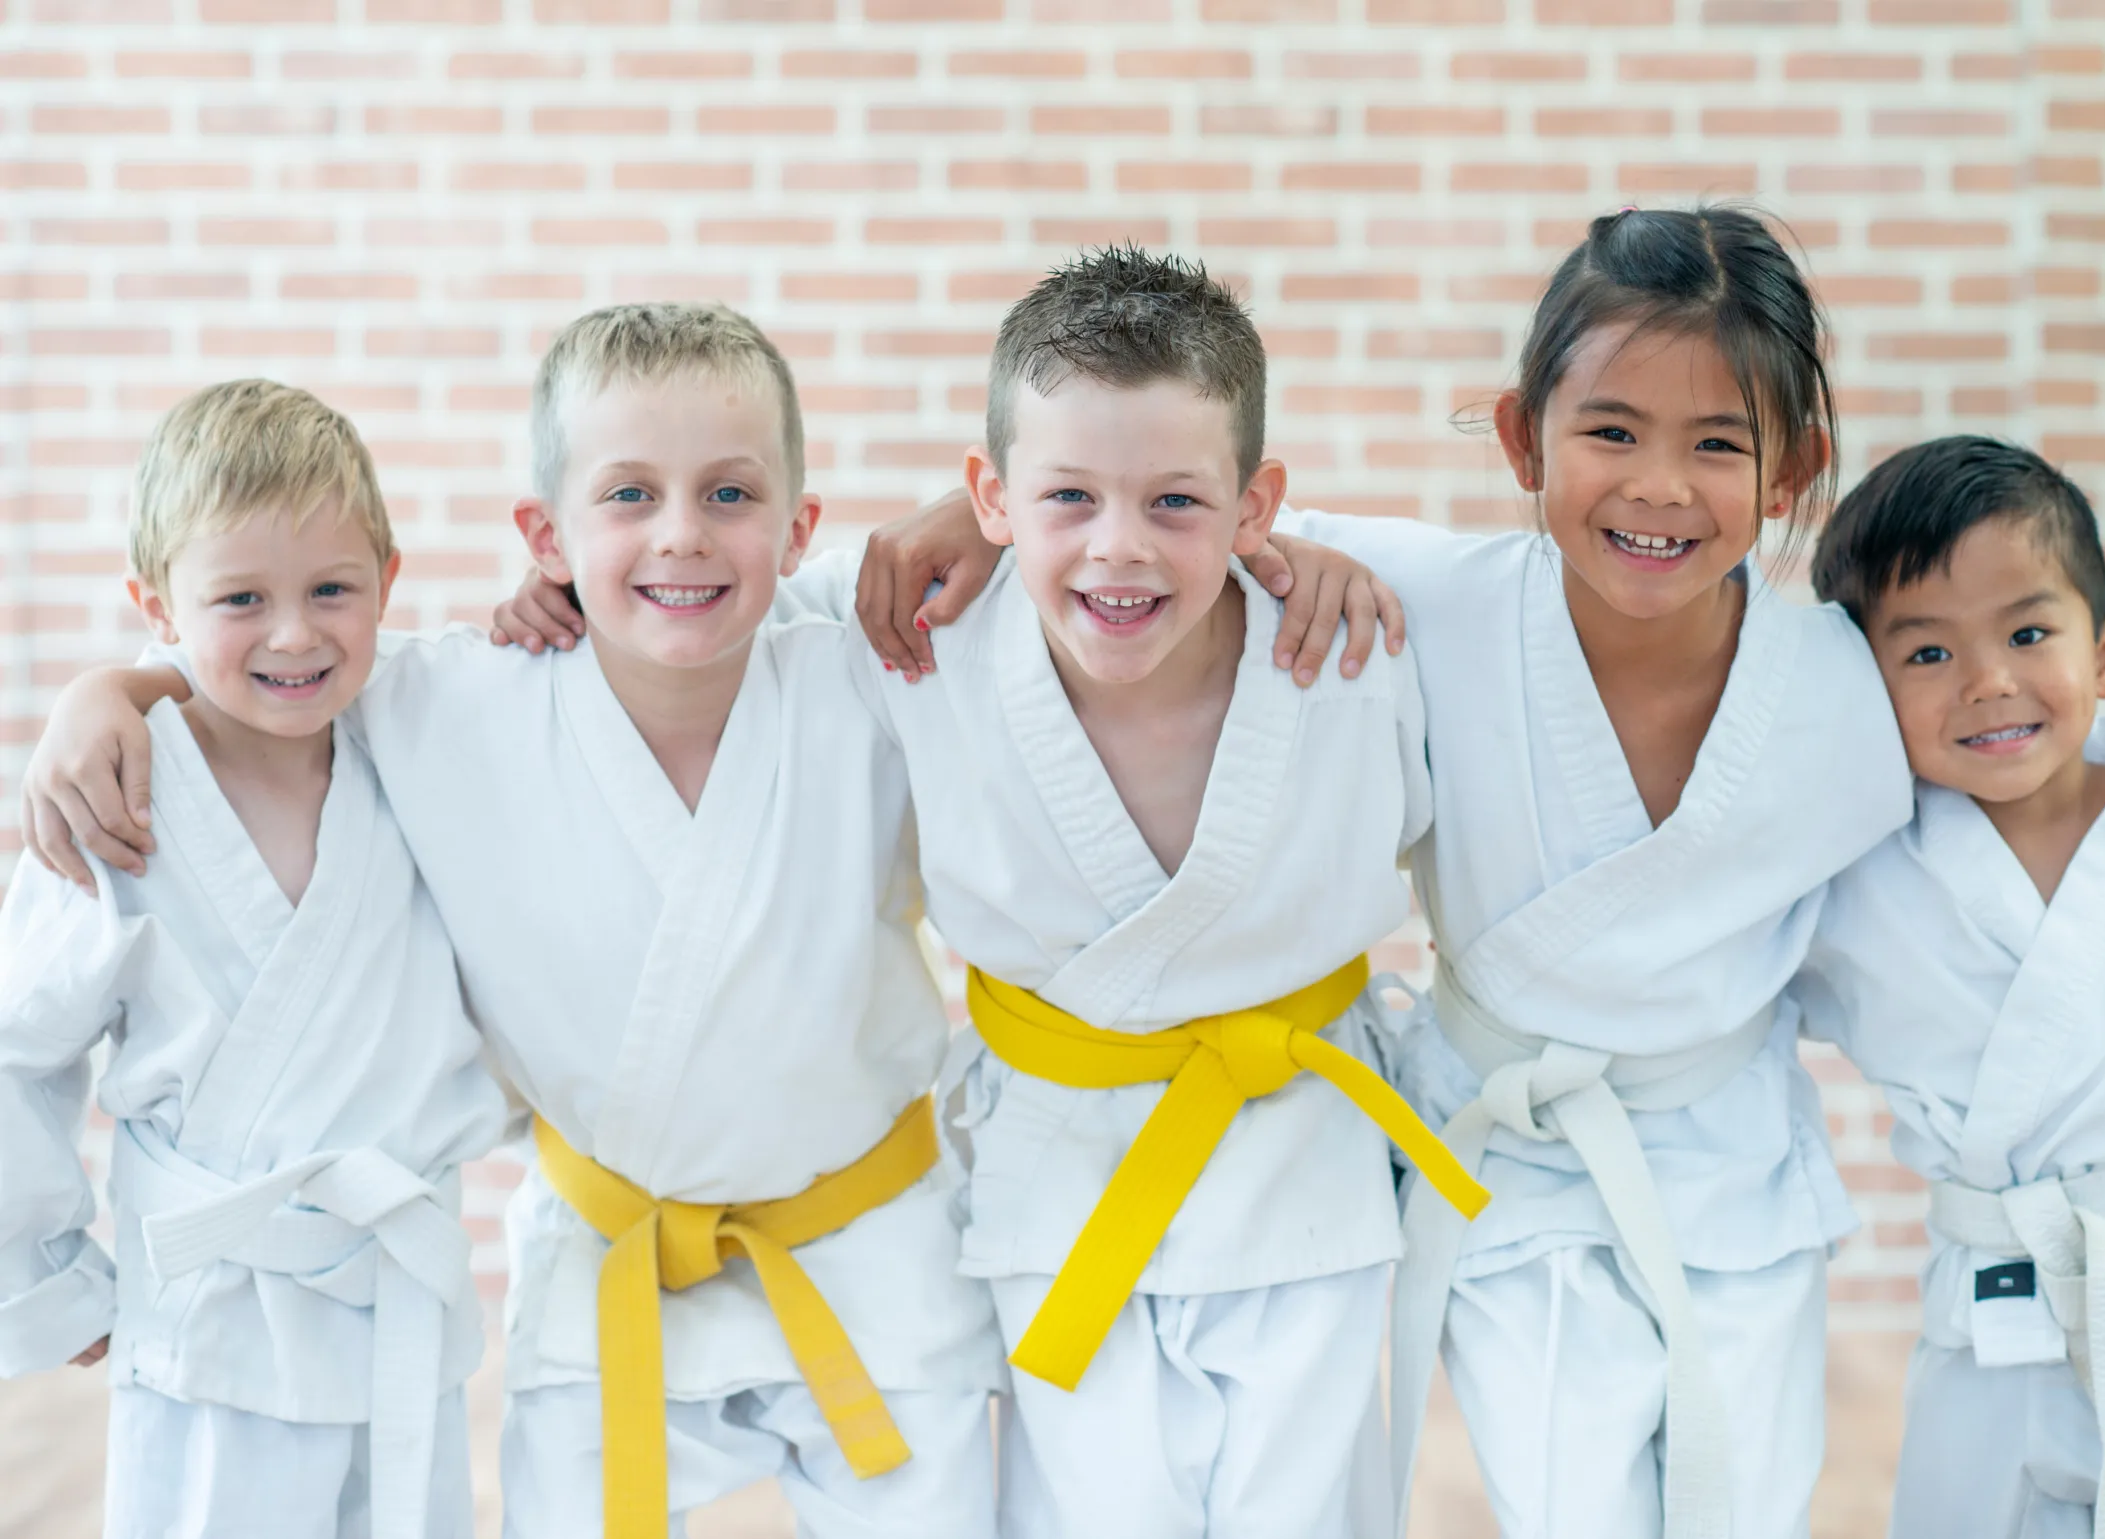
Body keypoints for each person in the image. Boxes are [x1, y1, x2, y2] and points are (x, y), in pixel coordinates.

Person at [831, 207, 2105, 1539]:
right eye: (1610, 430)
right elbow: (1163, 519)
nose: (1661, 486)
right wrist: (972, 516)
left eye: (1720, 444)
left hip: (1733, 1164)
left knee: (1749, 1502)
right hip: (1510, 1154)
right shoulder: (1421, 601)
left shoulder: (1839, 687)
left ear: (1793, 470)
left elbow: (1996, 709)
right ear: (1526, 439)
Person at [502, 247, 1483, 1539]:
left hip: (1306, 1170)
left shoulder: (1357, 640)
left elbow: (1513, 598)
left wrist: (1280, 544)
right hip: (1056, 1177)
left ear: (1260, 508)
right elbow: (685, 586)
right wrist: (146, 684)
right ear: (991, 494)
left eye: (1178, 503)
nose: (1120, 547)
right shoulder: (916, 636)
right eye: (1066, 494)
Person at [16, 308, 1009, 1539]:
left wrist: (992, 508)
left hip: (874, 1249)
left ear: (800, 526)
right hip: (608, 1261)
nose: (682, 535)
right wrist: (108, 689)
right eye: (629, 493)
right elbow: (259, 673)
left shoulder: (877, 663)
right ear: (547, 534)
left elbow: (1093, 560)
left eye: (731, 492)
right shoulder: (455, 705)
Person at [0, 380, 506, 1539]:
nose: (294, 633)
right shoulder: (117, 798)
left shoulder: (417, 743)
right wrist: (42, 1271)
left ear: (388, 578)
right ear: (157, 604)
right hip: (217, 1327)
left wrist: (116, 678)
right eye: (240, 598)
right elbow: (17, 1048)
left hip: (398, 1317)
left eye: (332, 589)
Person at [1798, 437, 2105, 1539]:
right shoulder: (1855, 864)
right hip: (1990, 1305)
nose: (1989, 683)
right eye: (1925, 655)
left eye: (2028, 634)